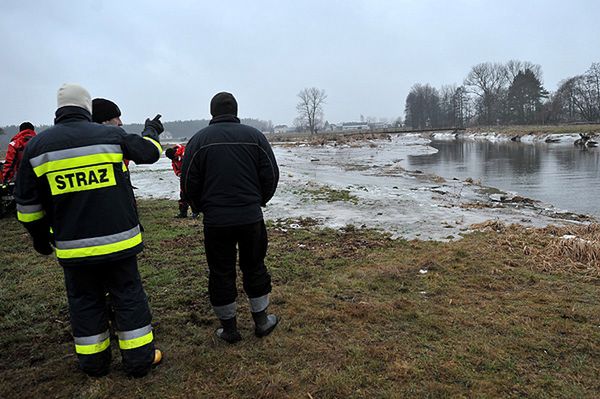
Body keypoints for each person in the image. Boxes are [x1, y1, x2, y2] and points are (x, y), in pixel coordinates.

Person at [15, 83, 164, 377]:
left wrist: (41, 240)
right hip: (119, 242)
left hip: (73, 247)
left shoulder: (37, 147)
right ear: (87, 108)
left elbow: (28, 207)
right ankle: (138, 361)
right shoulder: (111, 136)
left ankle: (94, 364)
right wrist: (152, 131)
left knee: (84, 302)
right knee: (128, 296)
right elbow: (149, 152)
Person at [181, 92, 280, 343]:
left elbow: (188, 181)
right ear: (235, 111)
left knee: (220, 271)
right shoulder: (255, 137)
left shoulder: (198, 140)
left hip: (216, 221)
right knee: (255, 265)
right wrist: (259, 201)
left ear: (212, 112)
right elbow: (270, 174)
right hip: (250, 217)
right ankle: (261, 320)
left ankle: (229, 328)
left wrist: (201, 206)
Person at [165, 144, 196, 218]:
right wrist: (178, 173)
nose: (174, 159)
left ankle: (195, 211)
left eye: (175, 157)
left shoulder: (185, 152)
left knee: (193, 194)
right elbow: (175, 167)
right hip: (183, 178)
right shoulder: (174, 159)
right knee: (183, 195)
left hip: (192, 176)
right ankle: (183, 212)